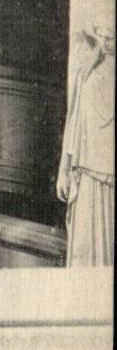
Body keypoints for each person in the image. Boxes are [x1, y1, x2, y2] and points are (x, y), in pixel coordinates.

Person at [56, 23, 114, 267]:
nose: (105, 41)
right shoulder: (86, 75)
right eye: (102, 36)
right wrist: (64, 170)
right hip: (87, 174)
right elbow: (75, 122)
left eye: (110, 37)